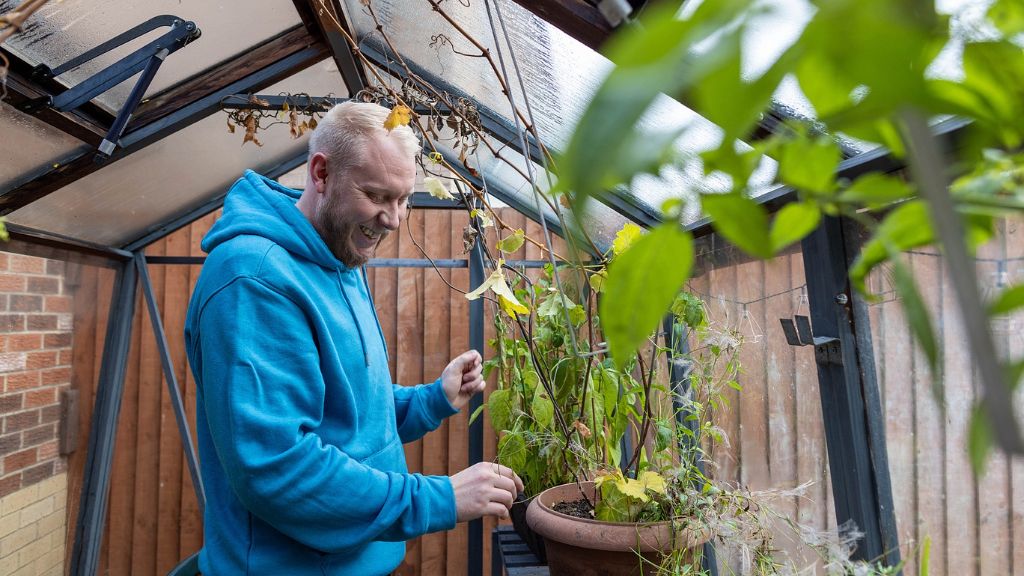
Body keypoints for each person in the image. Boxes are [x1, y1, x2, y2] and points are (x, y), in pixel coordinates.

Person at [184, 101, 523, 575]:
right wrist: (439, 498)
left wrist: (431, 400)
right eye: (378, 195)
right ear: (321, 173)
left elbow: (347, 417)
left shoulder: (337, 259)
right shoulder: (254, 279)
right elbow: (276, 466)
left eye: (403, 198)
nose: (395, 218)